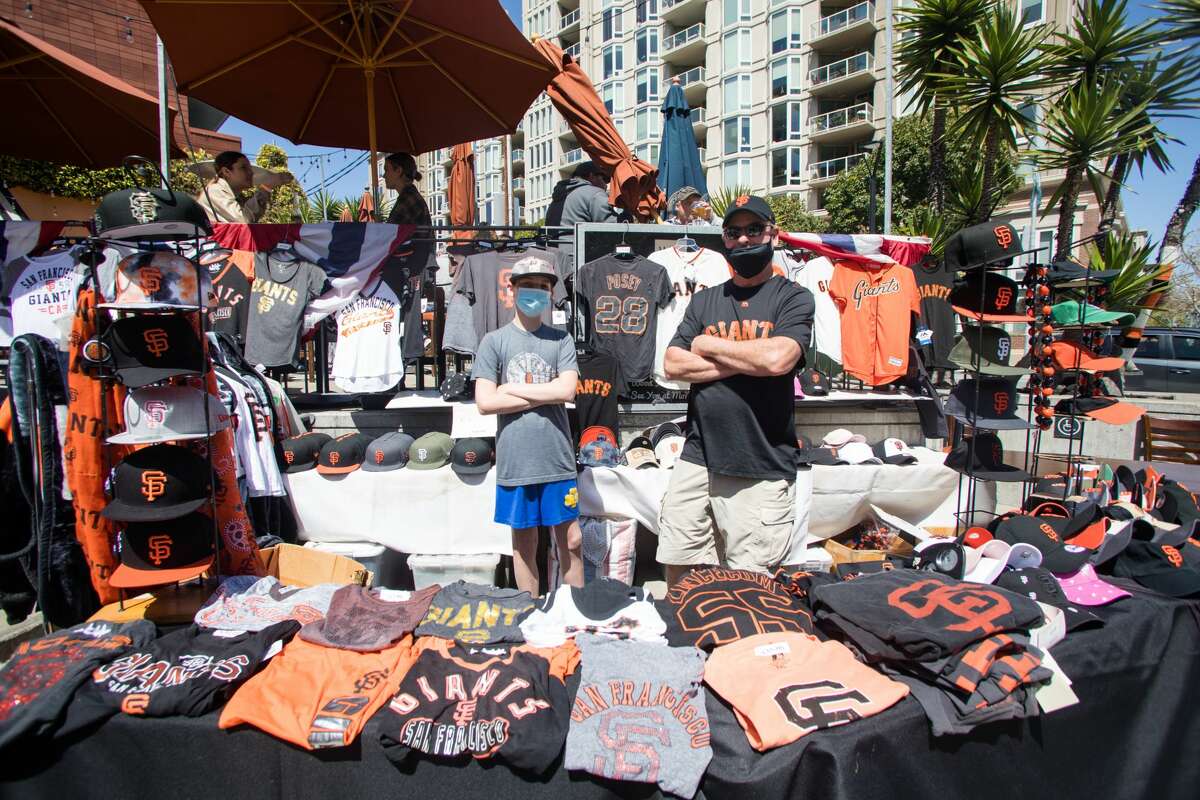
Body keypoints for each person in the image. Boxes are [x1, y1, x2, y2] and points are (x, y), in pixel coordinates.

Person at [658, 195, 815, 585]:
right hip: (698, 457)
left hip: (759, 464)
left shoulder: (793, 297)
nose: (744, 240)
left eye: (753, 230)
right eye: (734, 232)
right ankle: (684, 640)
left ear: (772, 235)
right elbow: (673, 364)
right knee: (679, 563)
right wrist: (750, 361)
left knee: (748, 582)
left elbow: (779, 360)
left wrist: (708, 346)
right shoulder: (707, 299)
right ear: (724, 239)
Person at [472, 259, 582, 594]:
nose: (535, 292)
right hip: (516, 462)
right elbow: (485, 403)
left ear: (551, 293)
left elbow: (566, 391)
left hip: (557, 459)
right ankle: (529, 613)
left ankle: (573, 613)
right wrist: (542, 395)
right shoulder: (494, 341)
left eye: (543, 286)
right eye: (527, 285)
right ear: (512, 290)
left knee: (572, 540)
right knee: (524, 542)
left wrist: (510, 389)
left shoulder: (561, 340)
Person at [195, 151, 291, 224]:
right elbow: (244, 220)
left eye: (250, 169)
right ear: (226, 172)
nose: (251, 172)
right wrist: (266, 187)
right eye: (243, 168)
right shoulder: (215, 191)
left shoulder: (231, 195)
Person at [545, 161, 618, 229]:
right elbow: (614, 227)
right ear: (591, 176)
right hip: (579, 242)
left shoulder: (558, 197)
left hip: (554, 242)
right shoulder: (595, 194)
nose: (605, 185)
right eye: (603, 179)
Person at [383, 152, 432, 227]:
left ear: (399, 171)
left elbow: (389, 234)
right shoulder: (411, 195)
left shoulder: (407, 200)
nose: (384, 175)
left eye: (386, 170)